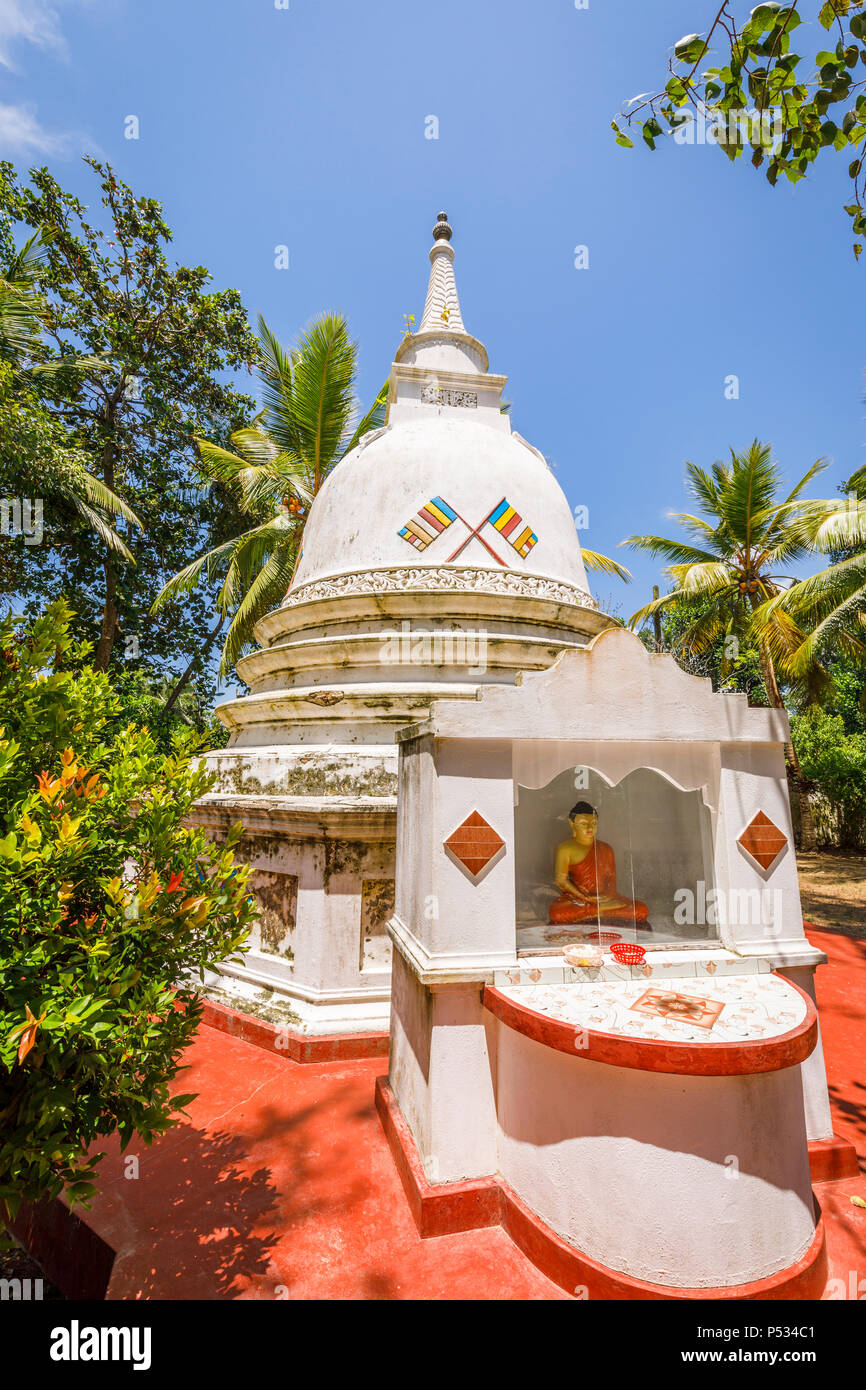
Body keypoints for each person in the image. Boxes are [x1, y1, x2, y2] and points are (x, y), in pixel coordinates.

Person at [548, 801, 650, 928]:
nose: (590, 828)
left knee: (641, 909)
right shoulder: (565, 848)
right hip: (578, 899)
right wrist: (585, 898)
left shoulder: (606, 848)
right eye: (584, 824)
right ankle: (598, 911)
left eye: (594, 823)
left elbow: (611, 880)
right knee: (556, 913)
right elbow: (560, 881)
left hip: (605, 899)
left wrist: (607, 897)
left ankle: (594, 911)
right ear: (572, 824)